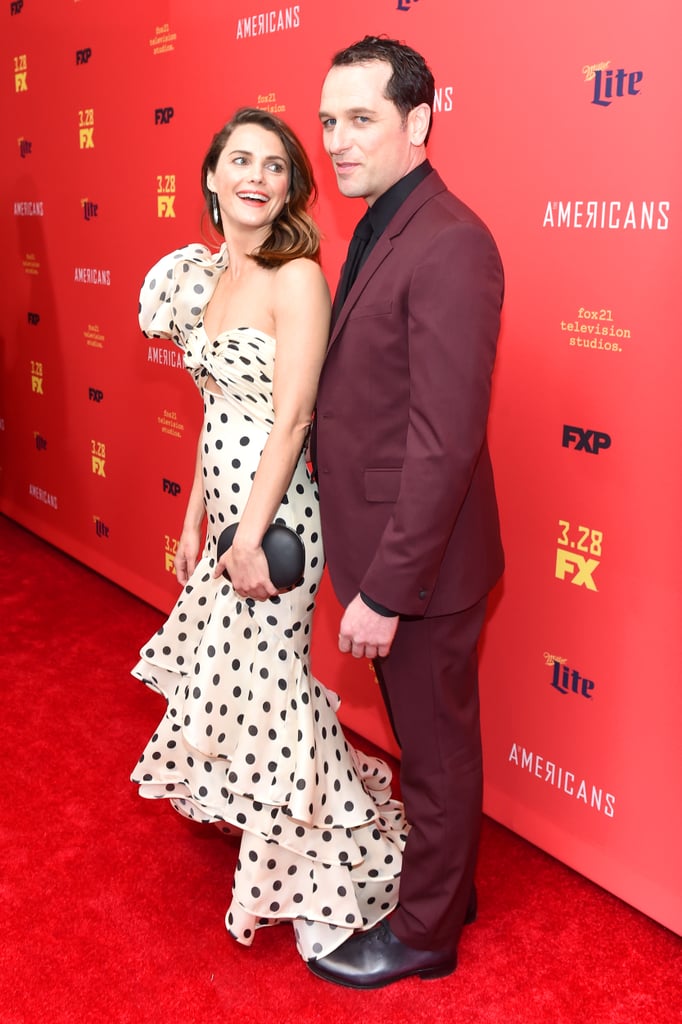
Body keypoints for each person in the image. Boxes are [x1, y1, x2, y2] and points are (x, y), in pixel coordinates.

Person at [130, 107, 407, 963]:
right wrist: (195, 523)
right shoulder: (204, 275)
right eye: (240, 160)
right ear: (211, 177)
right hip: (226, 519)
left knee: (276, 693)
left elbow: (289, 421)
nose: (257, 175)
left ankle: (324, 881)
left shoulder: (297, 277)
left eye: (276, 165)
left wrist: (248, 537)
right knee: (240, 689)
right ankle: (280, 845)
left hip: (279, 521)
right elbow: (215, 412)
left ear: (291, 187)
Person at [308, 38, 505, 988]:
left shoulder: (451, 239)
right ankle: (449, 885)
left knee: (434, 755)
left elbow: (444, 440)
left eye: (360, 120)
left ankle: (425, 934)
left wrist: (386, 588)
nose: (336, 142)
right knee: (431, 743)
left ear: (419, 122)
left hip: (421, 571)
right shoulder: (388, 222)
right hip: (395, 555)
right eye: (329, 120)